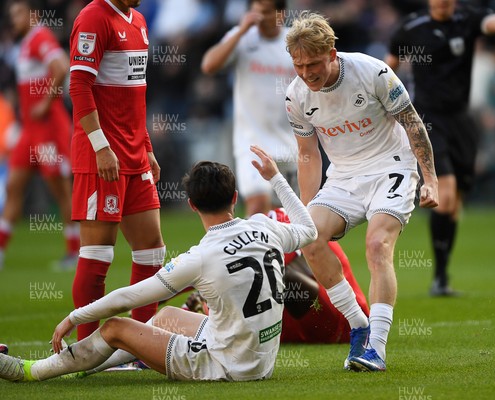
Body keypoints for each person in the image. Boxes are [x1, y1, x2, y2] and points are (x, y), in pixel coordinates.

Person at [0, 145, 317, 382]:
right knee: (167, 316)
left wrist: (74, 316)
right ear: (235, 197)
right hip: (263, 359)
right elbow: (309, 229)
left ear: (191, 205)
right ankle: (79, 366)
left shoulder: (199, 258)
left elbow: (128, 297)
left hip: (226, 366)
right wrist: (275, 177)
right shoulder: (265, 226)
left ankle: (29, 371)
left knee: (113, 327)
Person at [284, 12, 439, 372]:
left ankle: (377, 348)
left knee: (376, 245)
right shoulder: (295, 96)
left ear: (332, 52)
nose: (307, 73)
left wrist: (429, 178)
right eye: (299, 65)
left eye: (314, 64)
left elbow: (412, 122)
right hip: (344, 177)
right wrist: (306, 209)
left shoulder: (373, 72)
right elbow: (307, 155)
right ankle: (359, 325)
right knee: (312, 239)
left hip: (391, 166)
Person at [385, 0, 495, 296]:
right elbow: (387, 68)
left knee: (456, 202)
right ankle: (439, 278)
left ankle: (442, 276)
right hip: (429, 118)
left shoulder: (467, 19)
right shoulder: (410, 28)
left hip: (462, 120)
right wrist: (383, 104)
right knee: (447, 193)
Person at [68, 0, 167, 340]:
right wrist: (101, 147)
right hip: (102, 157)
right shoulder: (93, 17)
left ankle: (137, 344)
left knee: (153, 251)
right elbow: (79, 87)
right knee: (98, 255)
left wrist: (147, 147)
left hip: (135, 153)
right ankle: (85, 350)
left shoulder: (138, 19)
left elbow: (134, 93)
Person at [183, 207, 370, 344]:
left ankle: (208, 308)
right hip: (291, 328)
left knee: (274, 272)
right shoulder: (251, 231)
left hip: (342, 320)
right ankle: (208, 311)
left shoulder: (282, 220)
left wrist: (192, 280)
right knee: (247, 278)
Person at [0, 0, 79, 270]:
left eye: (18, 13)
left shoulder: (40, 37)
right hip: (30, 132)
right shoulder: (26, 43)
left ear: (33, 14)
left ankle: (74, 251)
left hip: (46, 132)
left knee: (60, 191)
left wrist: (46, 102)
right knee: (13, 187)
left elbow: (61, 66)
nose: (14, 19)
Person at [201, 0, 298, 216]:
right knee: (257, 207)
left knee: (288, 217)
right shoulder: (242, 37)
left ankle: (285, 251)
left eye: (264, 12)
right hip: (252, 142)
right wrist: (241, 31)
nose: (258, 17)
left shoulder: (294, 42)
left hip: (290, 142)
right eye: (254, 12)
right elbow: (209, 65)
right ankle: (256, 248)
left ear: (280, 14)